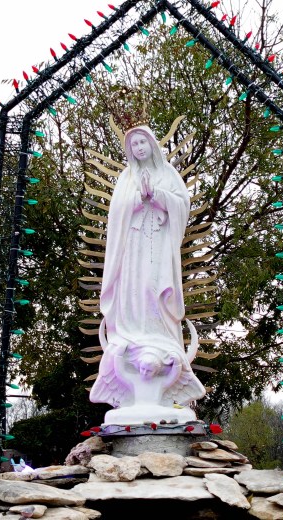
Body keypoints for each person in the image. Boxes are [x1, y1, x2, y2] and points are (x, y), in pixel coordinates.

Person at [91, 125, 205, 418]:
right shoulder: (126, 178)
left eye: (143, 142)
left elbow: (182, 206)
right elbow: (116, 214)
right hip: (132, 246)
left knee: (154, 291)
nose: (139, 147)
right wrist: (136, 200)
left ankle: (160, 338)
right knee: (134, 290)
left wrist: (157, 195)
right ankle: (132, 333)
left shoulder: (168, 175)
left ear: (152, 144)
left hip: (158, 244)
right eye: (134, 144)